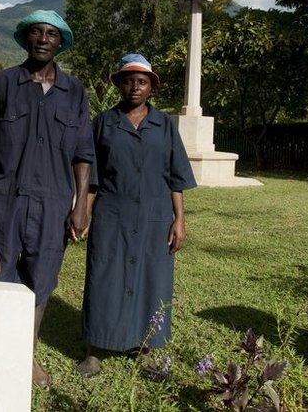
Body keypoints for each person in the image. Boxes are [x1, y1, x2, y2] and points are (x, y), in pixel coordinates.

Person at [0, 10, 94, 388]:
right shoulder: (2, 84)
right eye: (35, 32)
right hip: (6, 201)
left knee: (41, 281)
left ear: (60, 43)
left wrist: (81, 206)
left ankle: (26, 357)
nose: (42, 39)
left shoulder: (75, 92)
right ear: (25, 39)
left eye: (51, 34)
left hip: (54, 205)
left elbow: (83, 154)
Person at [76, 53, 197, 377]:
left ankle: (144, 348)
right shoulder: (104, 122)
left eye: (141, 82)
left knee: (151, 281)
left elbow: (176, 177)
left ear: (151, 87)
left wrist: (179, 219)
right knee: (104, 277)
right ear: (119, 84)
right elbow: (93, 177)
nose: (135, 87)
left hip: (155, 215)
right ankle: (95, 348)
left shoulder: (164, 126)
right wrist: (84, 213)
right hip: (112, 213)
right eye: (128, 81)